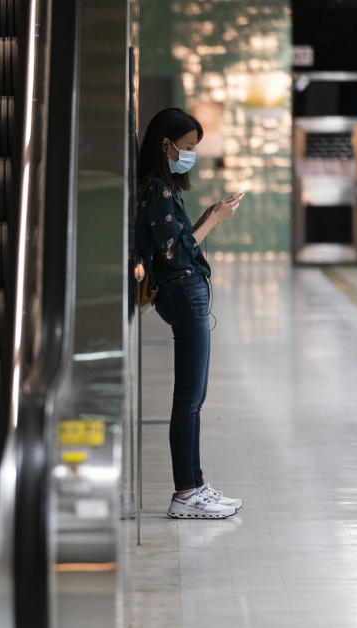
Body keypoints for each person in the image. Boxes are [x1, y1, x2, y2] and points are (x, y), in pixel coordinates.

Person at [134, 107, 244, 519]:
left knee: (192, 398)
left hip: (185, 293)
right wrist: (214, 220)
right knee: (189, 398)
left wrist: (205, 217)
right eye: (188, 147)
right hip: (184, 294)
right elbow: (176, 255)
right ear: (166, 146)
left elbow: (178, 244)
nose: (191, 155)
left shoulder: (159, 190)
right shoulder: (157, 191)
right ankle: (187, 491)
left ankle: (195, 484)